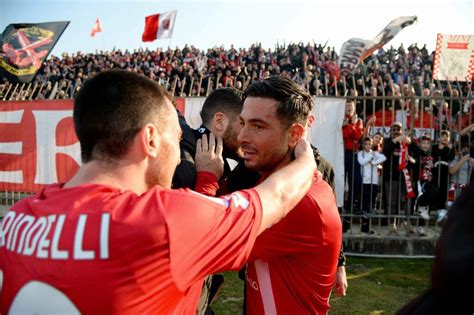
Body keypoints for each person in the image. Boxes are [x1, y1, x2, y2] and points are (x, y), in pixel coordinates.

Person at [0, 70, 318, 314]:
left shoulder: (15, 220)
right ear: (151, 139)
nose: (180, 154)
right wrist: (306, 161)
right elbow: (276, 197)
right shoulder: (165, 221)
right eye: (176, 139)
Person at [236, 77, 342, 314]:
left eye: (258, 126)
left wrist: (206, 179)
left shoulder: (301, 202)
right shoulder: (271, 177)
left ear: (295, 135)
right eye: (242, 123)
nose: (242, 136)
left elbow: (207, 242)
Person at [357, 136, 386, 233]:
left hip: (374, 181)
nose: (368, 146)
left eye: (369, 144)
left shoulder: (375, 153)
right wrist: (370, 157)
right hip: (365, 181)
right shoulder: (361, 153)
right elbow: (361, 162)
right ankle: (364, 226)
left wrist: (374, 162)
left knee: (371, 203)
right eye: (366, 144)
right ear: (363, 145)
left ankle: (367, 226)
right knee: (365, 203)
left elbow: (383, 158)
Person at [342, 99, 363, 214]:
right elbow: (344, 135)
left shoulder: (358, 121)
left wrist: (351, 125)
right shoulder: (340, 120)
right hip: (342, 153)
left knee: (355, 181)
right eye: (347, 106)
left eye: (351, 106)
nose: (349, 108)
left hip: (354, 153)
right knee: (341, 179)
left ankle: (350, 204)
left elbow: (357, 135)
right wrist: (350, 126)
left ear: (354, 108)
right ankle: (340, 204)